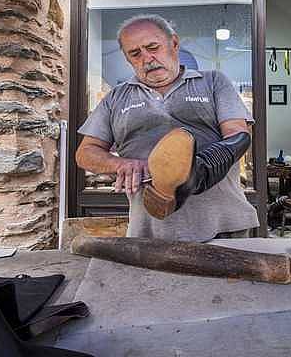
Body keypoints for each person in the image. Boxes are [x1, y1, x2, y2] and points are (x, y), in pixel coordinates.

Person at [76, 14, 259, 241]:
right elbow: (85, 153)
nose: (147, 58)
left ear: (174, 44)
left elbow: (238, 135)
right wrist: (122, 164)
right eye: (135, 53)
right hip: (150, 230)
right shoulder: (115, 97)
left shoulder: (213, 82)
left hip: (225, 225)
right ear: (127, 59)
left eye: (153, 47)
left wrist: (197, 169)